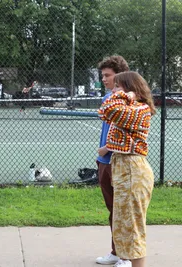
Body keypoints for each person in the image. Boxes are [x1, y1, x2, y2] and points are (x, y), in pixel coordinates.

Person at [98, 71, 156, 267]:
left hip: (133, 169)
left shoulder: (140, 109)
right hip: (122, 168)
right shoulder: (130, 108)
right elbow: (104, 112)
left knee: (132, 227)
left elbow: (109, 107)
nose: (112, 90)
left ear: (132, 90)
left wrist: (127, 95)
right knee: (122, 224)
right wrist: (125, 94)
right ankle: (123, 259)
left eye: (117, 87)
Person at [96, 55, 131, 266]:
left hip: (120, 163)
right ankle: (116, 251)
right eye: (103, 76)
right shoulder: (106, 99)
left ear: (120, 76)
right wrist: (102, 155)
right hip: (104, 162)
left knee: (123, 211)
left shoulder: (131, 100)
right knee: (113, 210)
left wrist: (107, 148)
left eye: (108, 75)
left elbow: (128, 132)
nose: (104, 79)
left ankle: (126, 256)